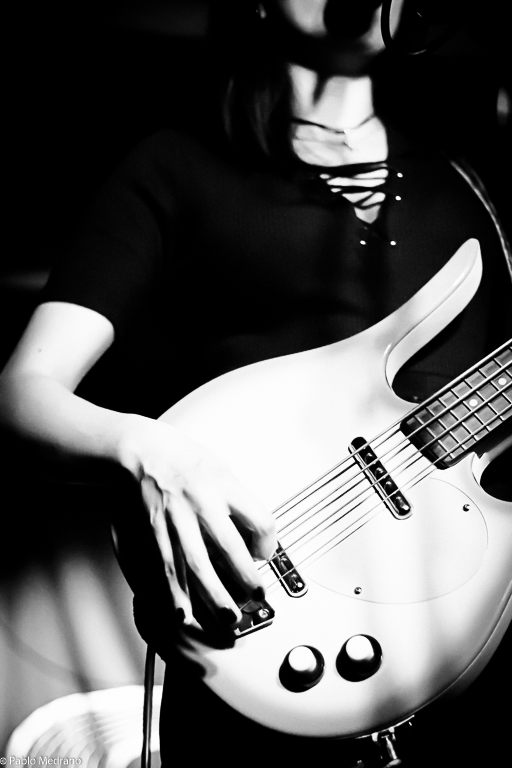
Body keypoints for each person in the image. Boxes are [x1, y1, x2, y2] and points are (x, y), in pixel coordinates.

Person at [1, 1, 511, 765]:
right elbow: (22, 394)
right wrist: (150, 451)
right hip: (258, 631)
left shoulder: (469, 184)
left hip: (467, 647)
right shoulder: (180, 164)